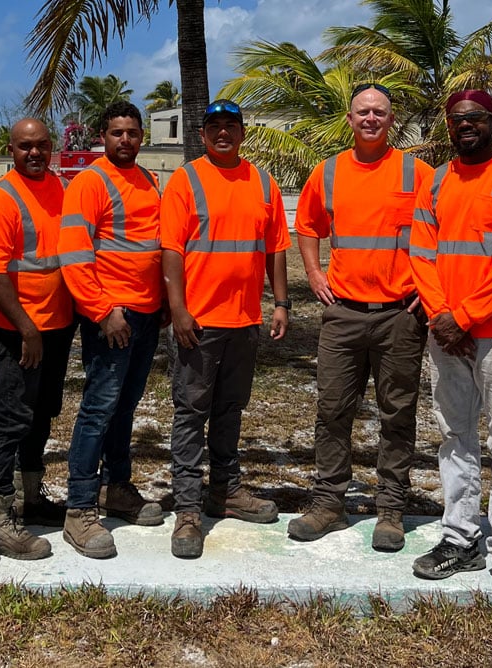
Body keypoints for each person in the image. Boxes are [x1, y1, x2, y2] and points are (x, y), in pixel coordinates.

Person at [408, 90, 492, 611]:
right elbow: (421, 253)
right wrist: (442, 316)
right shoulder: (436, 181)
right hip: (446, 332)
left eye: (475, 119)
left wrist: (461, 318)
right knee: (455, 436)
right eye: (457, 119)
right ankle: (460, 538)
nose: (466, 126)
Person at [287, 83, 433, 551]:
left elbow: (448, 233)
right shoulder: (328, 173)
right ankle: (329, 502)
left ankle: (390, 508)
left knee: (397, 413)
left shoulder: (419, 174)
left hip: (401, 318)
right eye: (362, 112)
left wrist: (430, 290)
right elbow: (307, 225)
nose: (371, 118)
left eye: (380, 112)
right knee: (332, 410)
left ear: (392, 121)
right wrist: (313, 271)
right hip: (343, 314)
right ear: (349, 120)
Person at [160, 98, 291, 559]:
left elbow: (276, 245)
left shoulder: (262, 181)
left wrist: (280, 302)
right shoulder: (186, 180)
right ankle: (189, 510)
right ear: (202, 135)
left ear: (242, 132)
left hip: (244, 321)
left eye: (230, 126)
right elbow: (171, 250)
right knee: (191, 412)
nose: (222, 133)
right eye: (213, 126)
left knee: (231, 409)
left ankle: (226, 490)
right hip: (199, 321)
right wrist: (177, 310)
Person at [57, 101, 164, 559]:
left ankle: (117, 488)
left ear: (142, 137)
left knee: (125, 406)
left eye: (133, 133)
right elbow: (74, 254)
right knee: (99, 408)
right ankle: (79, 507)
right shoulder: (90, 183)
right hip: (112, 316)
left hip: (146, 313)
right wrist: (103, 311)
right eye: (117, 133)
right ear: (103, 136)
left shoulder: (149, 181)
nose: (126, 140)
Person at [0, 118, 76, 560]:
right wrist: (27, 329)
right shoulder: (2, 201)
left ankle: (32, 497)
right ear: (11, 150)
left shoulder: (62, 189)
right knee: (11, 419)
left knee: (42, 413)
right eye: (25, 147)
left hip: (59, 326)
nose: (35, 153)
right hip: (21, 332)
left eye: (43, 145)